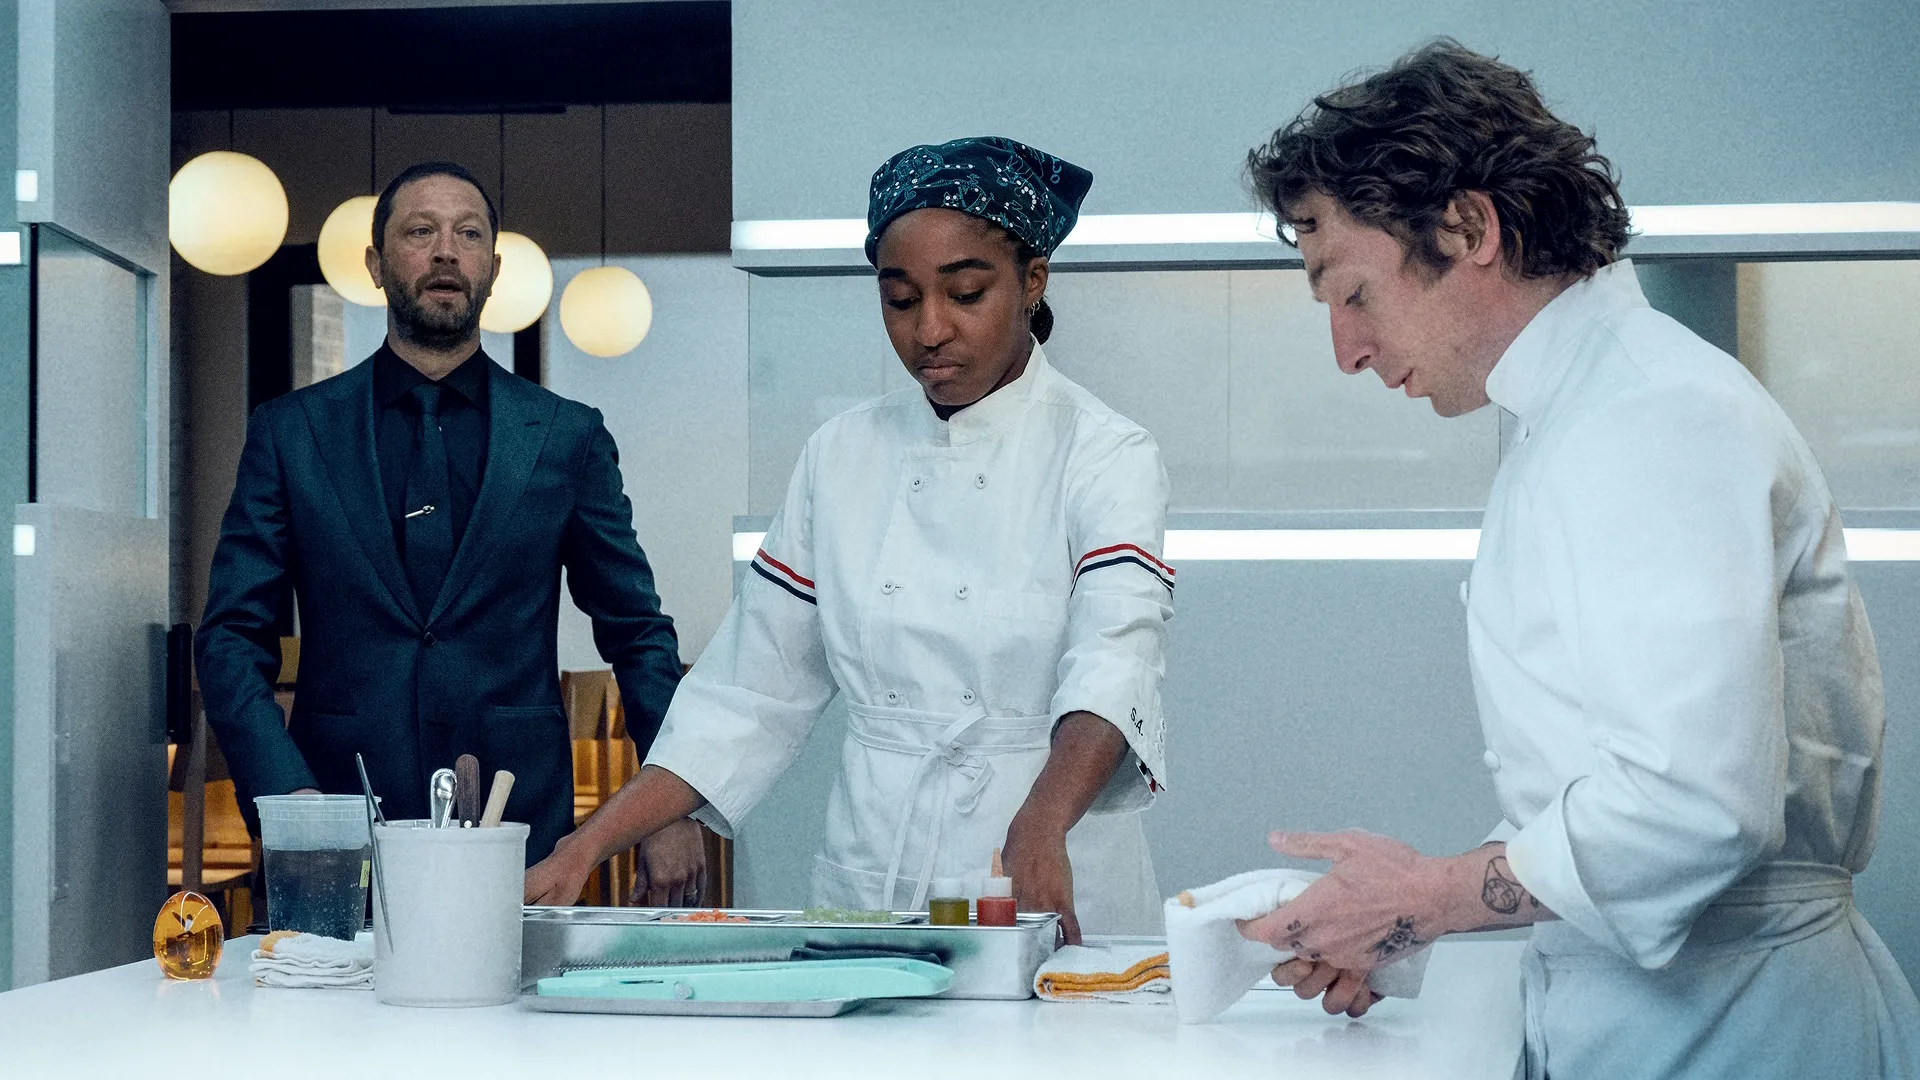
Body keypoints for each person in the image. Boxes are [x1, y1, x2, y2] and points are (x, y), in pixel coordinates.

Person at [1236, 42, 1919, 1075]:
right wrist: (1410, 924)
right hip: (1673, 1015)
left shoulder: (1651, 414)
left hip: (1746, 1026)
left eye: (1353, 294)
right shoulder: (1573, 414)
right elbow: (1602, 795)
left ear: (1469, 226)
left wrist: (1426, 895)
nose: (1347, 351)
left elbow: (1692, 807)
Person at [526, 137, 1172, 942]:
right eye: (900, 301)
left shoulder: (1106, 452)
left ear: (1031, 281)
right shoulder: (841, 454)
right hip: (876, 864)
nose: (929, 330)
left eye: (966, 294)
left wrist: (1041, 823)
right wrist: (588, 846)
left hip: (1049, 861)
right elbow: (745, 693)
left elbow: (1114, 658)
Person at [196, 161, 708, 895]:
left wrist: (667, 802)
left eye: (468, 234)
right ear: (375, 264)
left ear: (492, 270)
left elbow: (636, 631)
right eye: (419, 232)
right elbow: (230, 637)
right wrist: (289, 802)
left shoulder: (567, 437)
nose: (445, 251)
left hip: (523, 832)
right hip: (336, 823)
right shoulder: (292, 432)